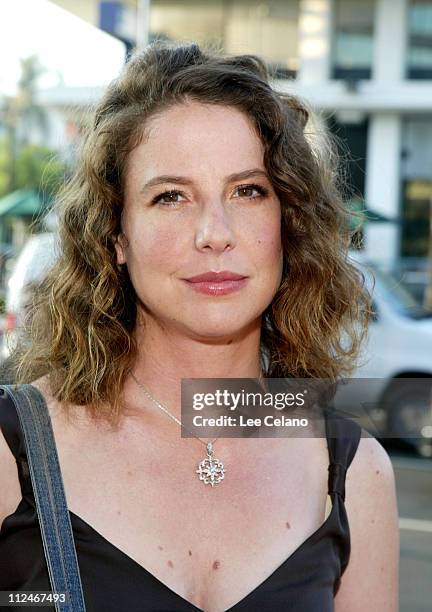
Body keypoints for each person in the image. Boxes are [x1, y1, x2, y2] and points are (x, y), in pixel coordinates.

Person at [0, 42, 399, 611]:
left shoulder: (354, 472)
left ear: (288, 221)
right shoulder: (11, 448)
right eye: (171, 197)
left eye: (248, 191)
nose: (215, 232)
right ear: (116, 235)